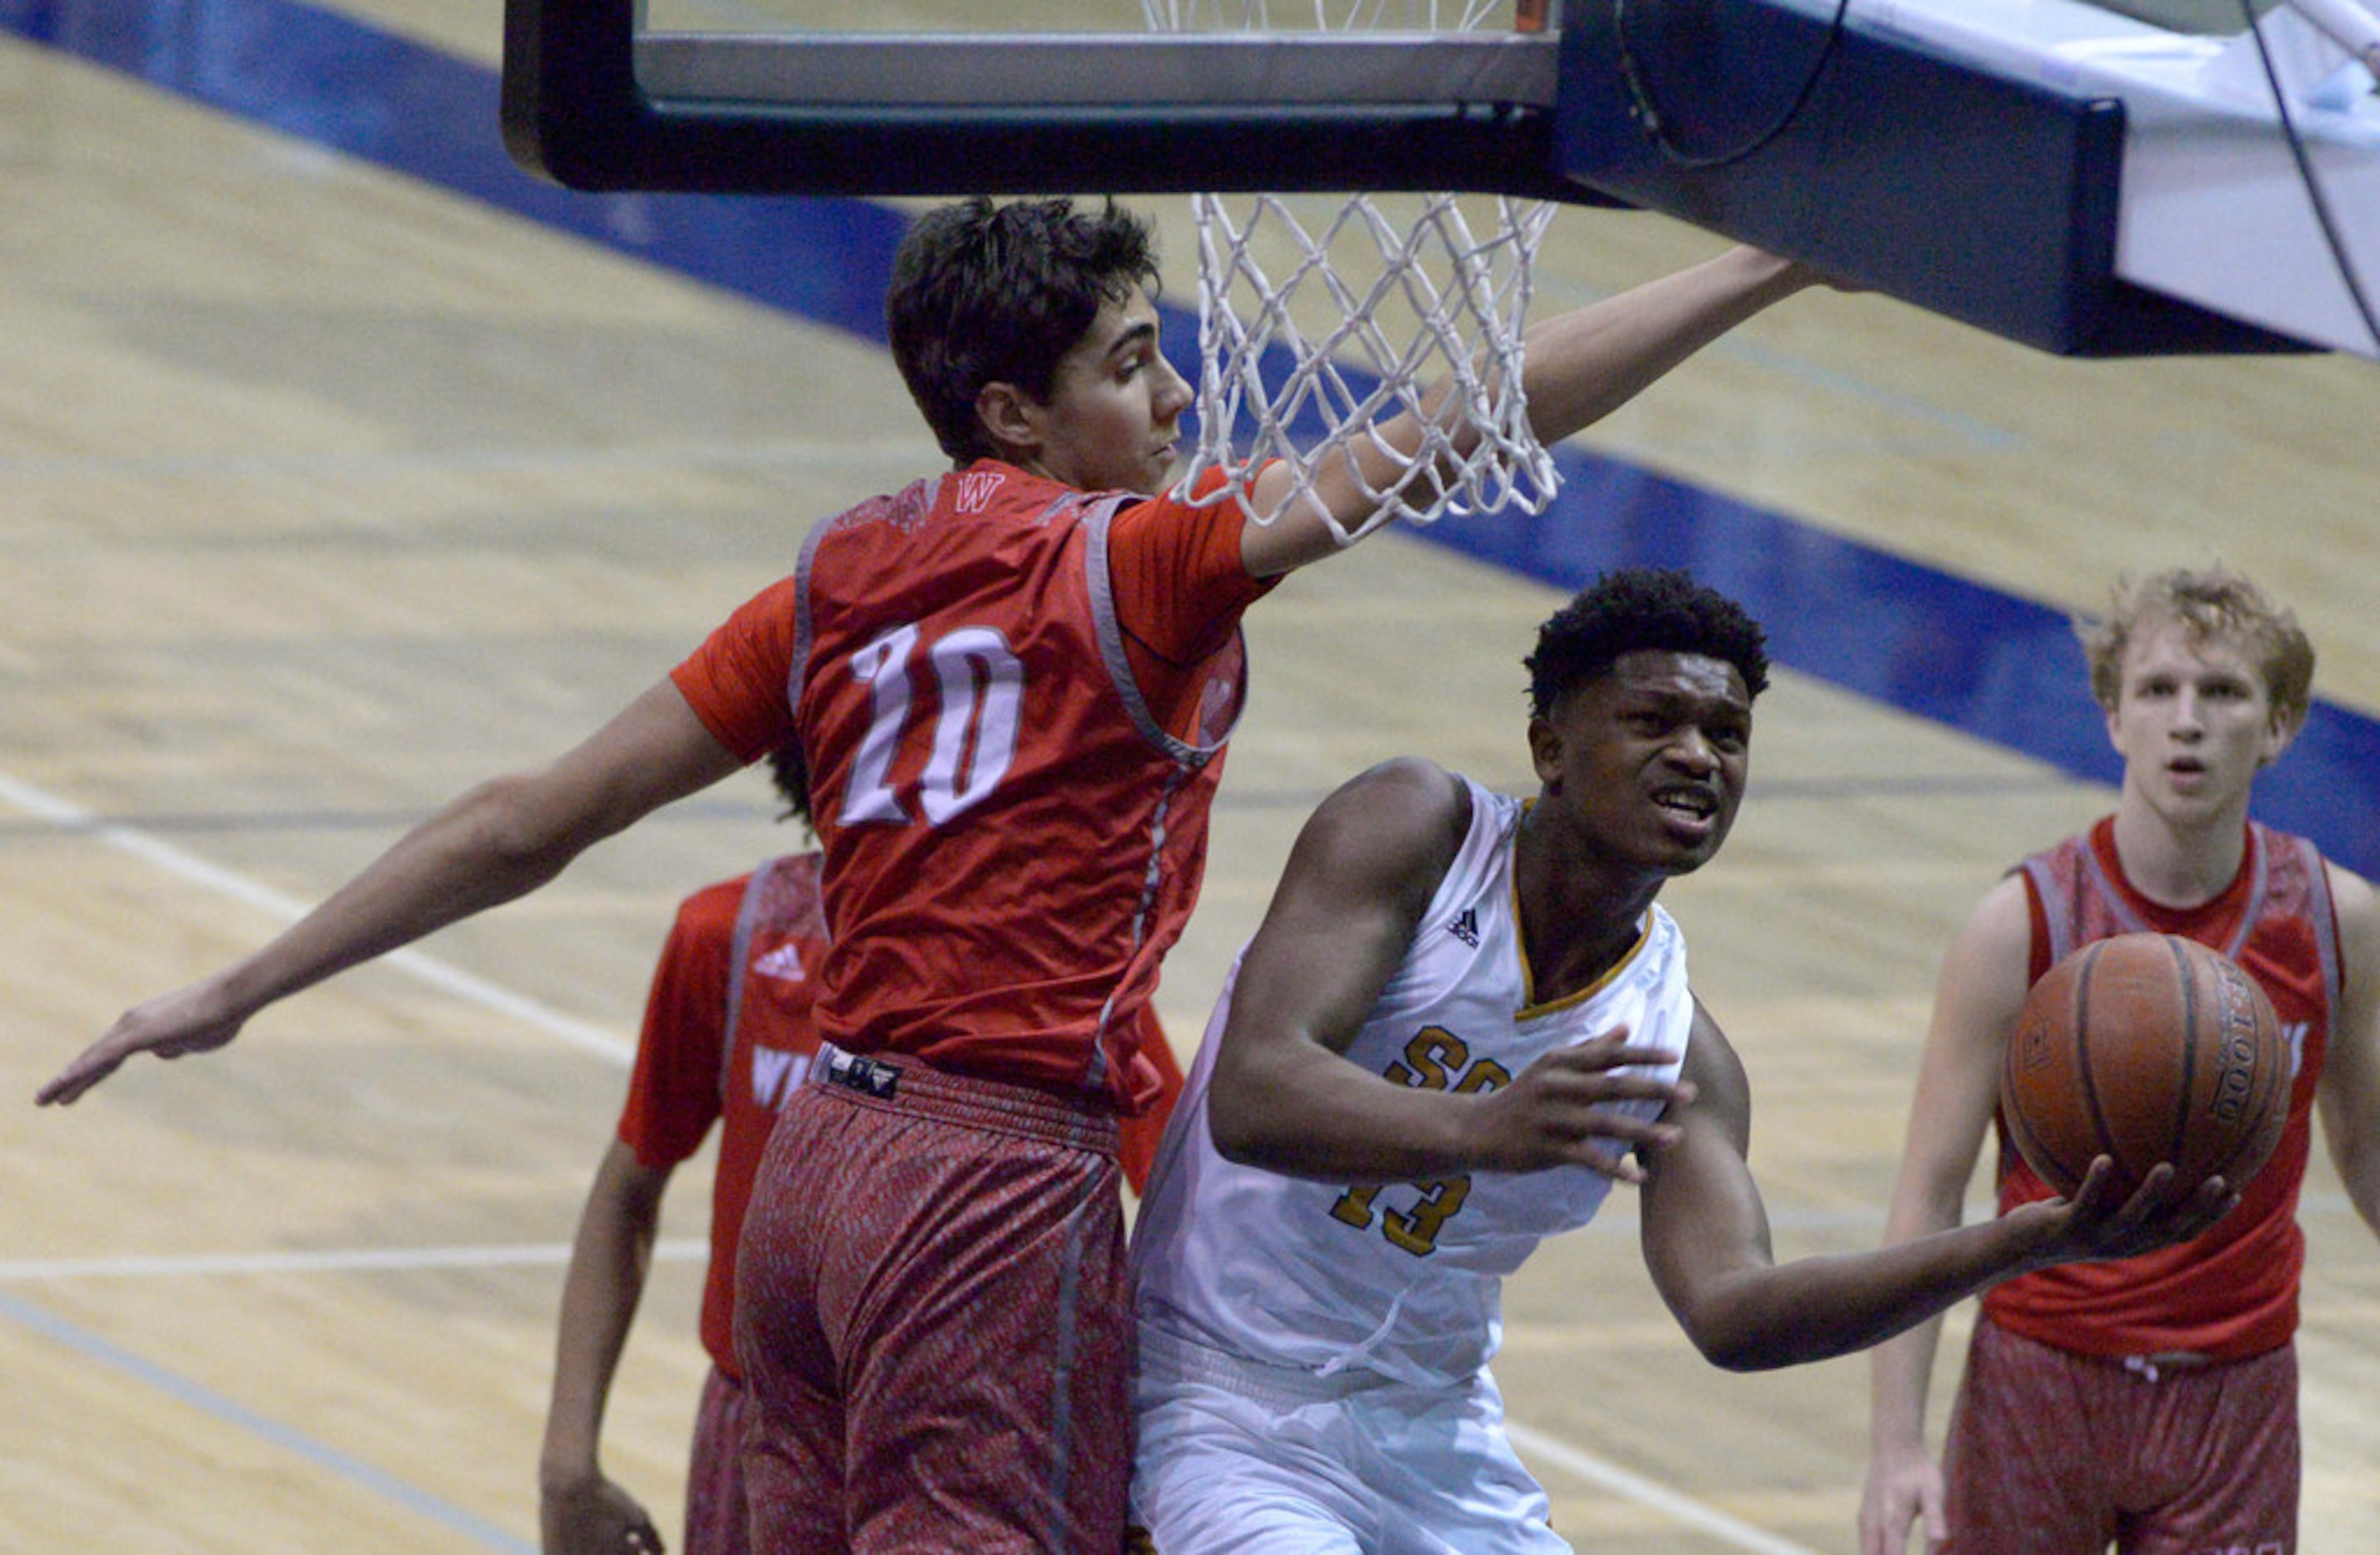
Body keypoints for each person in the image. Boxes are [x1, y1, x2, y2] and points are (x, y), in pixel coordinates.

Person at [41, 197, 1831, 1552]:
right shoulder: (1140, 569)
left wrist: (243, 984)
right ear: (1015, 415)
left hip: (812, 1161)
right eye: (1131, 362)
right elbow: (1462, 421)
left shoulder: (836, 578)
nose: (1175, 388)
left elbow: (533, 815)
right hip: (985, 1176)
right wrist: (1768, 268)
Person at [1126, 568, 2236, 1555]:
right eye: (1652, 719)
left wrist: (2031, 1237)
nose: (1697, 754)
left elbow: (1734, 1310)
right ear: (1549, 745)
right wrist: (1482, 1128)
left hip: (1427, 1432)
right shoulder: (1413, 828)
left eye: (1726, 732)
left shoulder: (1677, 1045)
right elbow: (1253, 1091)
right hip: (1216, 1395)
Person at [537, 744, 1186, 1555]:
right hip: (766, 1419)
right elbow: (628, 1189)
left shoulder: (1051, 981)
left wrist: (1153, 1466)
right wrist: (567, 1460)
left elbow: (1178, 1207)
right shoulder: (728, 934)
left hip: (975, 1426)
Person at [1858, 565, 2380, 1554]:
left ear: (2278, 726)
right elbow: (1927, 1195)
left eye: (2222, 692)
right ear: (2111, 717)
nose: (2187, 720)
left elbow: (2371, 1154)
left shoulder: (2336, 918)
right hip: (2042, 1368)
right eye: (2157, 690)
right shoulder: (2019, 926)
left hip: (2237, 1383)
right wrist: (1895, 1446)